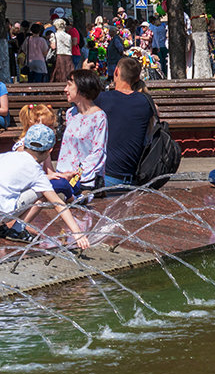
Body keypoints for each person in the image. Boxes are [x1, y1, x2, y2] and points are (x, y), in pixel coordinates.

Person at [0, 124, 89, 248]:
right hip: (3, 214)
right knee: (44, 194)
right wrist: (77, 232)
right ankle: (17, 230)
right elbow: (58, 204)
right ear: (50, 150)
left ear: (24, 143)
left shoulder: (5, 156)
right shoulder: (36, 173)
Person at [95, 57, 154, 187]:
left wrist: (86, 72)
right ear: (138, 78)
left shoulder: (103, 99)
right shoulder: (146, 102)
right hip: (135, 178)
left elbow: (78, 102)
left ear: (116, 71)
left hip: (107, 177)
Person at [50, 69, 108, 199]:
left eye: (69, 84)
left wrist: (79, 174)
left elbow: (98, 152)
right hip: (63, 175)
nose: (65, 89)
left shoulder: (99, 117)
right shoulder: (71, 113)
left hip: (84, 179)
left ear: (82, 88)